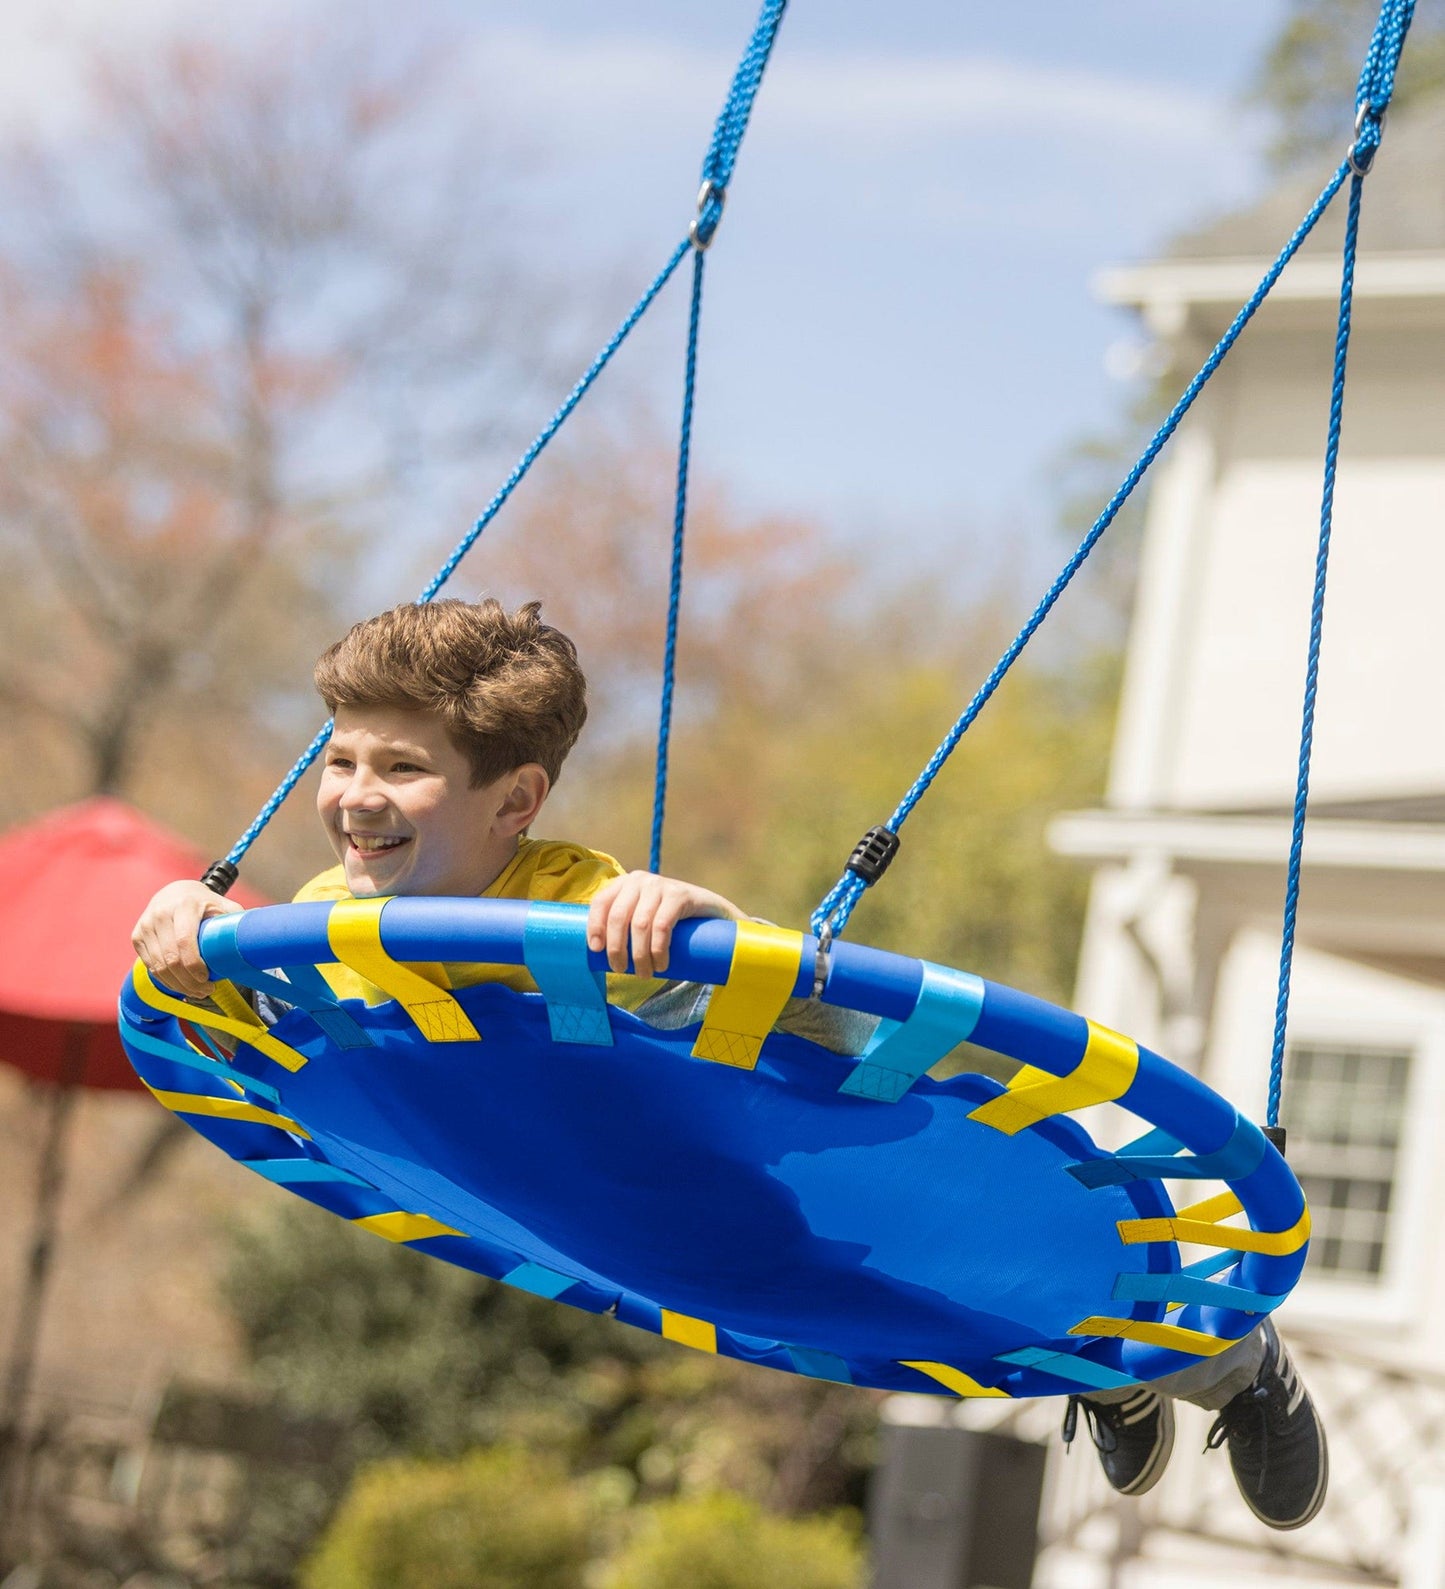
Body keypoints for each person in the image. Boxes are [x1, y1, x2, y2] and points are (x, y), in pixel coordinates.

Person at [131, 596, 1326, 1531]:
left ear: (517, 798)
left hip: (719, 1196)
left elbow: (831, 1055)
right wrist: (191, 915)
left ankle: (1218, 1363)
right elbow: (240, 1016)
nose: (354, 798)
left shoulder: (586, 909)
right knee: (939, 1310)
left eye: (401, 767)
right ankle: (1110, 1362)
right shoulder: (329, 919)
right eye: (341, 761)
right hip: (576, 1213)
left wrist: (709, 935)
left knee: (938, 1299)